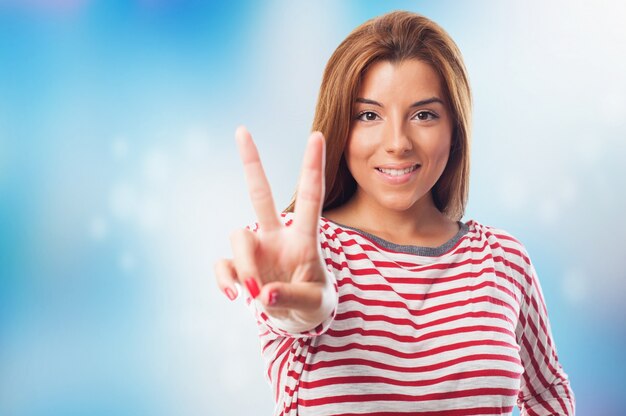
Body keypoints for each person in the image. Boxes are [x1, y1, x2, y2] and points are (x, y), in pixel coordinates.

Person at [214, 11, 575, 416]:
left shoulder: (503, 260)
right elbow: (301, 311)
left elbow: (547, 393)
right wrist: (298, 305)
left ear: (455, 128)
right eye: (369, 115)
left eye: (424, 115)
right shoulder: (296, 248)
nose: (398, 143)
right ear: (340, 125)